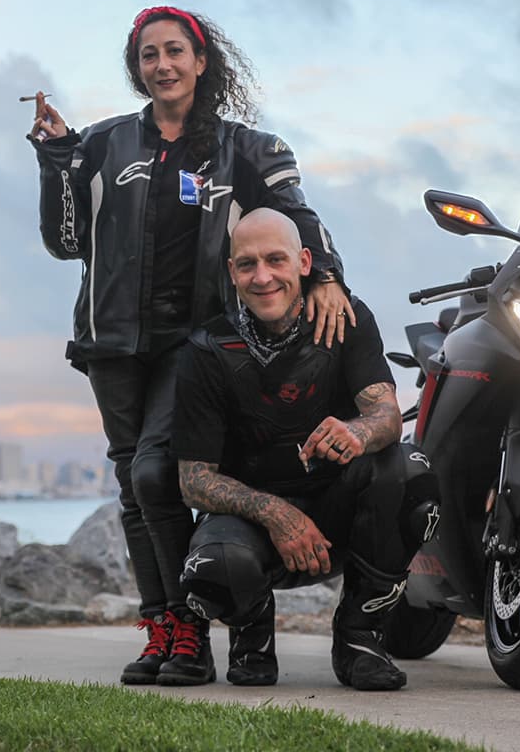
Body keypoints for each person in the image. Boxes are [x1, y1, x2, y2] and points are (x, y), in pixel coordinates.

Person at [28, 6, 354, 687]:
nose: (163, 65)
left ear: (202, 61)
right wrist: (56, 155)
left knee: (155, 474)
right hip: (112, 341)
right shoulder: (105, 144)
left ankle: (193, 624)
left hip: (201, 343)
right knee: (133, 484)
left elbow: (300, 221)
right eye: (149, 56)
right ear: (137, 68)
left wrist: (324, 276)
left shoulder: (250, 150)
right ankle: (166, 631)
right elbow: (65, 241)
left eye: (175, 51)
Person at [173, 208, 441, 691]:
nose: (263, 277)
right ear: (232, 272)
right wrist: (277, 514)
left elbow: (386, 416)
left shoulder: (347, 319)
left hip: (341, 518)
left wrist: (357, 432)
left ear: (303, 262)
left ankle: (359, 637)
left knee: (410, 472)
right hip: (251, 527)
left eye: (275, 260)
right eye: (247, 264)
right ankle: (251, 636)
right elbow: (194, 480)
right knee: (214, 568)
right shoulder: (206, 348)